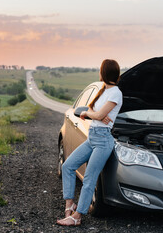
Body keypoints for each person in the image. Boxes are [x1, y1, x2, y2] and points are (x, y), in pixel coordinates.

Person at [57, 59, 123, 226]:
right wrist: (94, 113)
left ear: (104, 72)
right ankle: (69, 204)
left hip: (103, 141)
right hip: (92, 137)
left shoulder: (116, 93)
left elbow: (95, 114)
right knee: (68, 166)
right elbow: (92, 109)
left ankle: (77, 217)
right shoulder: (102, 90)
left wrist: (92, 114)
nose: (98, 72)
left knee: (89, 178)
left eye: (100, 70)